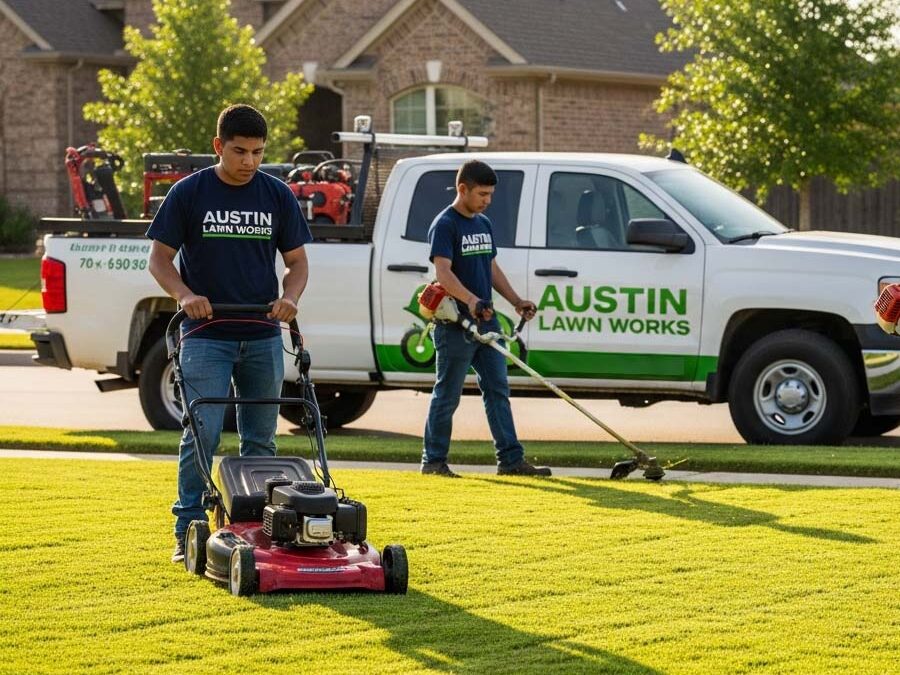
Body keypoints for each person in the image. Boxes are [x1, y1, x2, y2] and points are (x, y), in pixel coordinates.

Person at [147, 103, 312, 561]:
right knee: (201, 431)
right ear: (218, 146)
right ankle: (188, 530)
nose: (249, 162)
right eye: (240, 152)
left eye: (258, 153)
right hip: (206, 334)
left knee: (262, 440)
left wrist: (290, 298)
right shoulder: (189, 193)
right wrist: (184, 295)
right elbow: (159, 260)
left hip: (261, 334)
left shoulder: (276, 196)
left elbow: (297, 264)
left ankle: (256, 529)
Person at [422, 159, 551, 478]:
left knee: (498, 390)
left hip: (486, 323)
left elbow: (490, 267)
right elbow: (443, 272)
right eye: (482, 194)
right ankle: (434, 461)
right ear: (462, 189)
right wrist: (471, 300)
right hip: (455, 325)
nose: (487, 201)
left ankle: (510, 461)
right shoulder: (446, 224)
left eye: (490, 194)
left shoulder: (483, 224)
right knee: (448, 394)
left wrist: (517, 301)